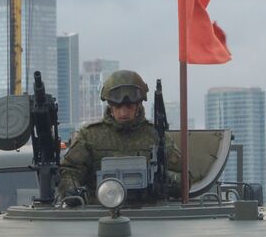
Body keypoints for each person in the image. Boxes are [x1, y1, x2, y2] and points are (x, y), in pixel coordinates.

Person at [56, 69, 182, 203]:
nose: (123, 112)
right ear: (110, 105)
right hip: (99, 213)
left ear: (138, 104)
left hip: (148, 212)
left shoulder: (156, 136)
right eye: (117, 106)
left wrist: (165, 179)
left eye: (129, 106)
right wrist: (70, 187)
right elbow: (70, 170)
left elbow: (185, 179)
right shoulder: (90, 136)